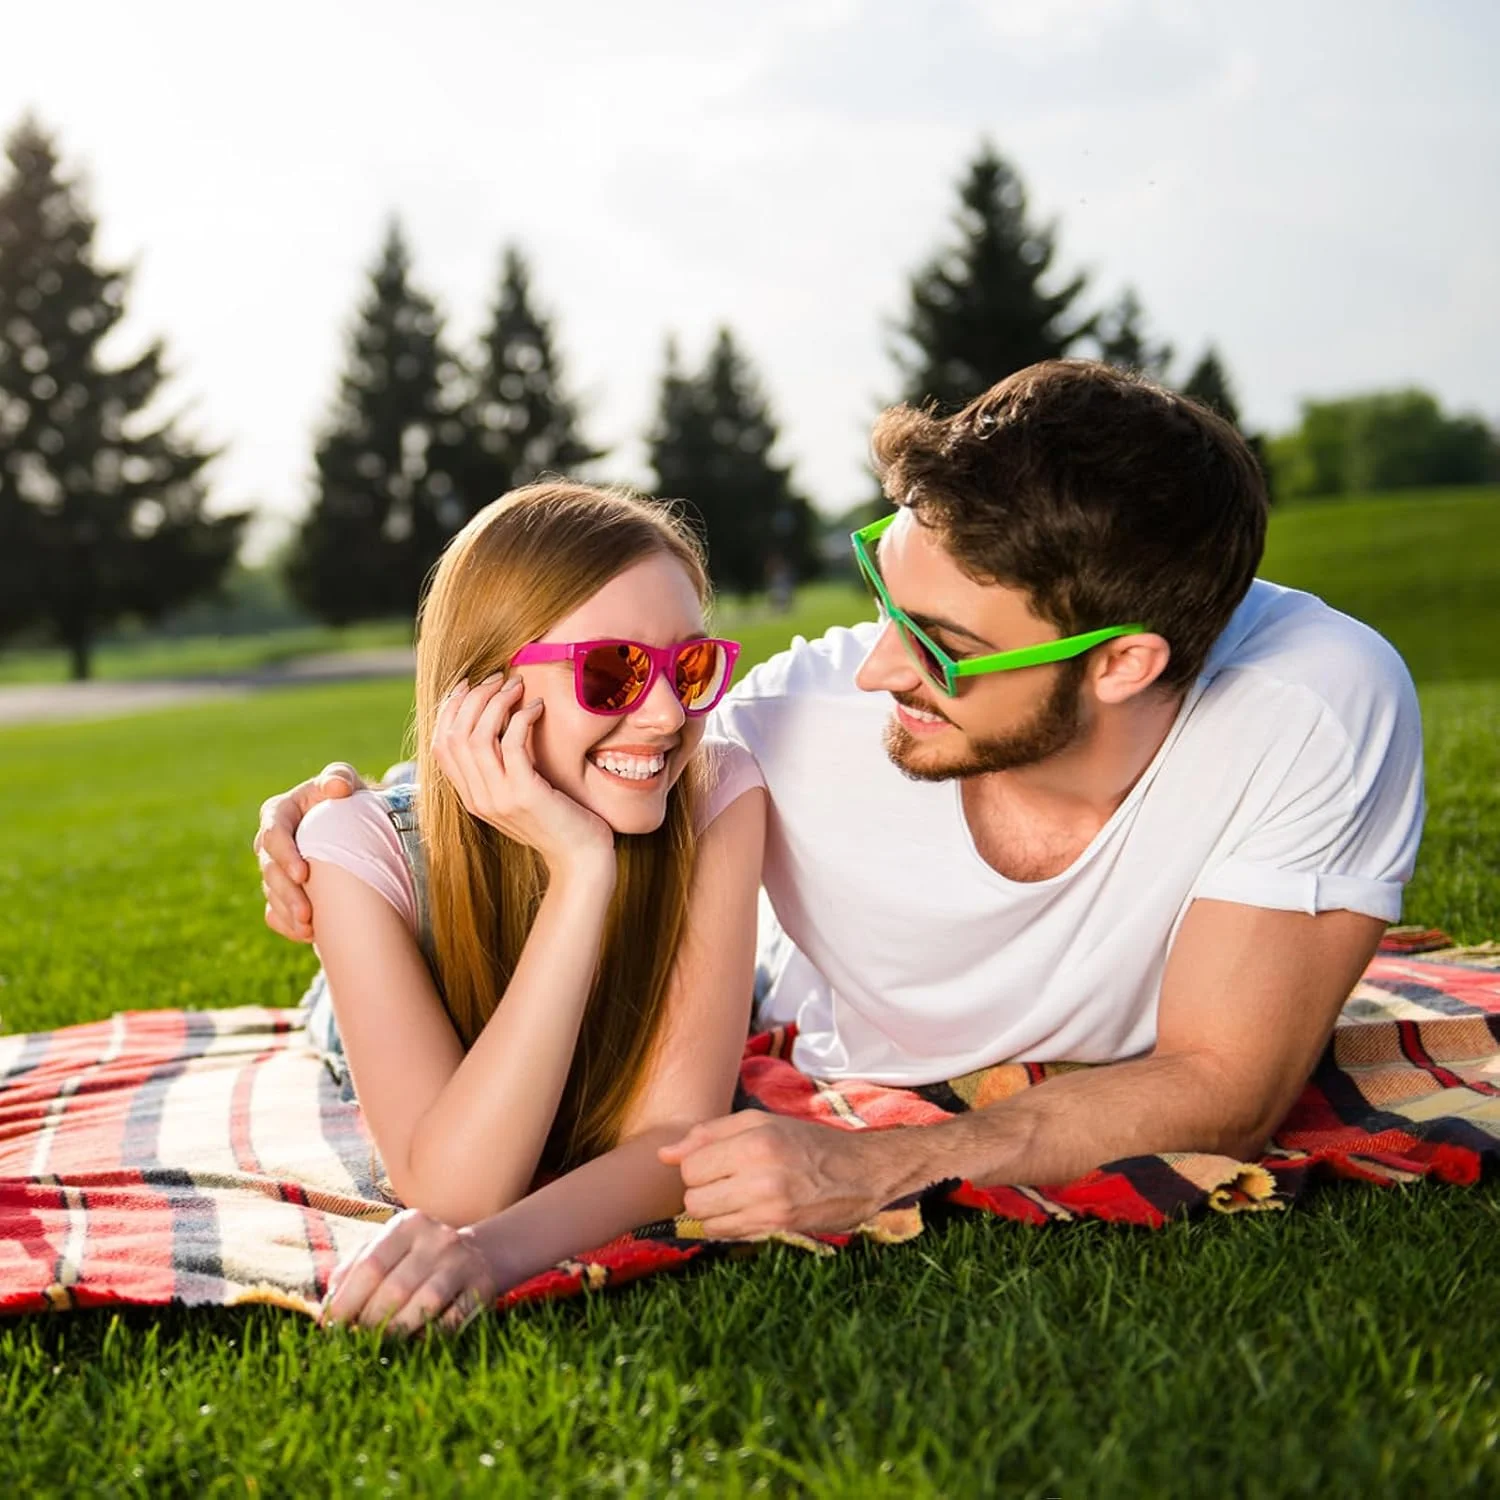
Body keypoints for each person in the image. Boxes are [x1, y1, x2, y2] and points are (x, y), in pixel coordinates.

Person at [258, 361, 1422, 1284]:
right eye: (883, 601)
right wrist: (346, 825)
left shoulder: (1312, 703)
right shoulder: (767, 735)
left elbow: (1231, 1082)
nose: (869, 671)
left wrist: (874, 1164)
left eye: (944, 647)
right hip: (439, 943)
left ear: (1123, 662)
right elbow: (543, 774)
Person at [285, 482, 766, 1334]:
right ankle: (401, 790)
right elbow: (456, 1186)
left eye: (689, 666)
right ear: (486, 691)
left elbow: (679, 1132)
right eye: (613, 672)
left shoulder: (718, 791)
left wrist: (492, 1254)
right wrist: (582, 869)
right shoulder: (351, 855)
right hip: (390, 983)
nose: (665, 714)